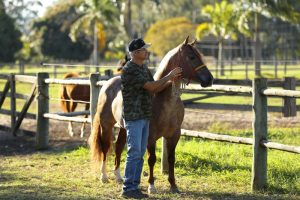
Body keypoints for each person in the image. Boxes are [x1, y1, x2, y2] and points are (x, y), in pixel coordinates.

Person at [120, 38, 182, 198]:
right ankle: (128, 189)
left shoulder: (143, 69)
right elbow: (151, 87)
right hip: (134, 116)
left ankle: (134, 186)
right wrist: (169, 75)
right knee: (134, 152)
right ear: (135, 53)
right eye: (143, 50)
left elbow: (156, 88)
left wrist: (171, 82)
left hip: (144, 115)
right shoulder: (130, 69)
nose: (146, 52)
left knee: (139, 152)